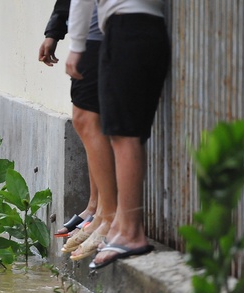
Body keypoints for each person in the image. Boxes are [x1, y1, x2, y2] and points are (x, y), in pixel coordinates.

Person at [65, 0, 170, 269]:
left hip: (124, 28)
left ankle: (130, 233)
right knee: (130, 134)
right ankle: (121, 229)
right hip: (153, 26)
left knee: (123, 136)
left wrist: (76, 45)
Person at [39, 0, 116, 261]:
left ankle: (107, 215)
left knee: (91, 119)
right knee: (89, 120)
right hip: (93, 29)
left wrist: (70, 39)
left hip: (102, 30)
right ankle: (96, 208)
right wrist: (54, 31)